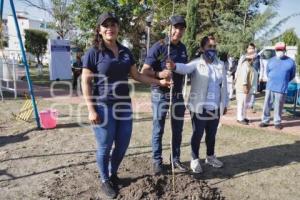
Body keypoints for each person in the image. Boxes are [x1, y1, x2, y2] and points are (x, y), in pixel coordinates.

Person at [81, 12, 170, 198]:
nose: (110, 28)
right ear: (99, 29)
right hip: (102, 106)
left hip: (124, 106)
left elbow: (137, 76)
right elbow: (85, 82)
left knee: (122, 144)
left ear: (118, 28)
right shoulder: (93, 53)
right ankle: (105, 180)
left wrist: (159, 82)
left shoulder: (125, 51)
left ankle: (113, 174)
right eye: (105, 25)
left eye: (113, 24)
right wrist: (90, 109)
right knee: (105, 145)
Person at [166, 35, 228, 173]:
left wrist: (225, 103)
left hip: (214, 107)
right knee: (197, 133)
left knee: (211, 134)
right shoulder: (196, 63)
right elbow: (184, 68)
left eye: (214, 46)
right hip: (199, 107)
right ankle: (194, 159)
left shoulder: (220, 65)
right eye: (209, 46)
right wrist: (174, 66)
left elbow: (224, 86)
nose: (212, 49)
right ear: (202, 48)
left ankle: (210, 157)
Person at [141, 15, 188, 175]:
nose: (178, 31)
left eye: (181, 28)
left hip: (177, 94)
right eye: (175, 27)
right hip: (160, 93)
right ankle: (157, 161)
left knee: (178, 129)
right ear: (169, 28)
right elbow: (144, 71)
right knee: (158, 128)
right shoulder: (159, 46)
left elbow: (184, 69)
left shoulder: (183, 48)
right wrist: (160, 74)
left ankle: (175, 159)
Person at [259, 42, 296, 130]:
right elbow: (268, 73)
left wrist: (284, 80)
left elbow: (292, 75)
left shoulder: (291, 62)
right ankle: (265, 120)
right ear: (275, 50)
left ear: (285, 50)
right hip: (270, 86)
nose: (279, 51)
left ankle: (277, 122)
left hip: (281, 87)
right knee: (267, 104)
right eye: (278, 50)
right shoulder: (271, 60)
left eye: (281, 50)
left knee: (279, 106)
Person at [235, 49, 257, 125]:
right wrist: (245, 86)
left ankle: (243, 117)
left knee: (245, 104)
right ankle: (239, 118)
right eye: (255, 58)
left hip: (247, 88)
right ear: (251, 58)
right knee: (241, 103)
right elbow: (244, 77)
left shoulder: (250, 65)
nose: (255, 59)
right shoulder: (245, 65)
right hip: (242, 88)